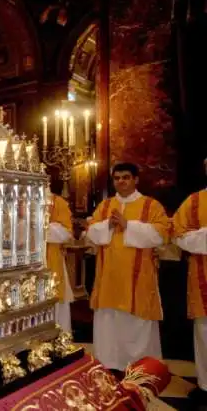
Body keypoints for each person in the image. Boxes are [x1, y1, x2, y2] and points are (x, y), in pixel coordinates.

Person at [85, 162, 169, 372]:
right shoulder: (104, 206)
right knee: (109, 323)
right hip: (108, 279)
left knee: (137, 324)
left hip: (138, 279)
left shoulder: (151, 206)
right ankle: (110, 365)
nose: (121, 181)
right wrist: (108, 226)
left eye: (126, 177)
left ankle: (141, 368)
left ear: (136, 180)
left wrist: (128, 225)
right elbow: (90, 233)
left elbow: (160, 235)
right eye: (117, 178)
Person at [170, 158, 207, 404]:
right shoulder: (195, 201)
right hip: (203, 275)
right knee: (204, 331)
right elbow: (177, 234)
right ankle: (205, 384)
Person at [47, 192, 74, 333]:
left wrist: (40, 224)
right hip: (25, 262)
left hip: (52, 261)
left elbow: (66, 234)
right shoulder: (19, 197)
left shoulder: (57, 201)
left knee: (54, 299)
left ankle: (58, 340)